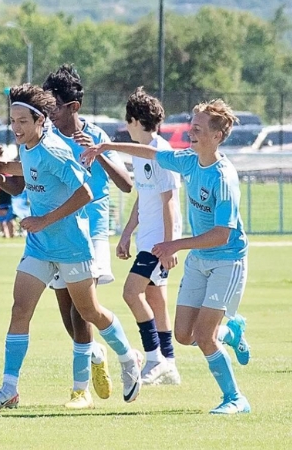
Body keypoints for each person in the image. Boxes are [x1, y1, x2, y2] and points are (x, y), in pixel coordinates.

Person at [0, 84, 138, 412]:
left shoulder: (55, 149)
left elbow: (86, 192)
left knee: (89, 313)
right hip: (40, 247)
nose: (16, 127)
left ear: (41, 120)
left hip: (71, 245)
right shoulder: (28, 147)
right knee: (19, 309)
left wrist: (45, 219)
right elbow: (17, 181)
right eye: (13, 120)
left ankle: (128, 358)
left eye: (23, 121)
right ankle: (9, 388)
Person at [81, 99, 252, 415]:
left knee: (203, 336)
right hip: (200, 260)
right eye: (191, 127)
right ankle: (231, 331)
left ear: (217, 136)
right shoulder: (189, 160)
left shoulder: (224, 177)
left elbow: (222, 234)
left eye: (198, 129)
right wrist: (107, 146)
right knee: (184, 334)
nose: (191, 133)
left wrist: (174, 244)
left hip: (227, 260)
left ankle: (235, 398)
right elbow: (152, 155)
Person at [42, 65, 136, 408]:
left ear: (73, 107)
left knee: (83, 311)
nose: (47, 113)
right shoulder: (45, 137)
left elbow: (126, 184)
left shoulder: (96, 134)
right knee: (69, 312)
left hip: (90, 231)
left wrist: (98, 153)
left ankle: (79, 390)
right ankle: (98, 353)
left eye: (53, 106)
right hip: (56, 230)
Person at [114, 87, 183, 386]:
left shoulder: (162, 153)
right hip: (148, 238)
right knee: (155, 299)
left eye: (127, 121)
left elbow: (169, 200)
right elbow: (144, 198)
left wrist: (169, 245)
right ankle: (170, 365)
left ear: (134, 120)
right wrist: (127, 234)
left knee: (131, 293)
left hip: (159, 241)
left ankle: (153, 356)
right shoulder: (142, 154)